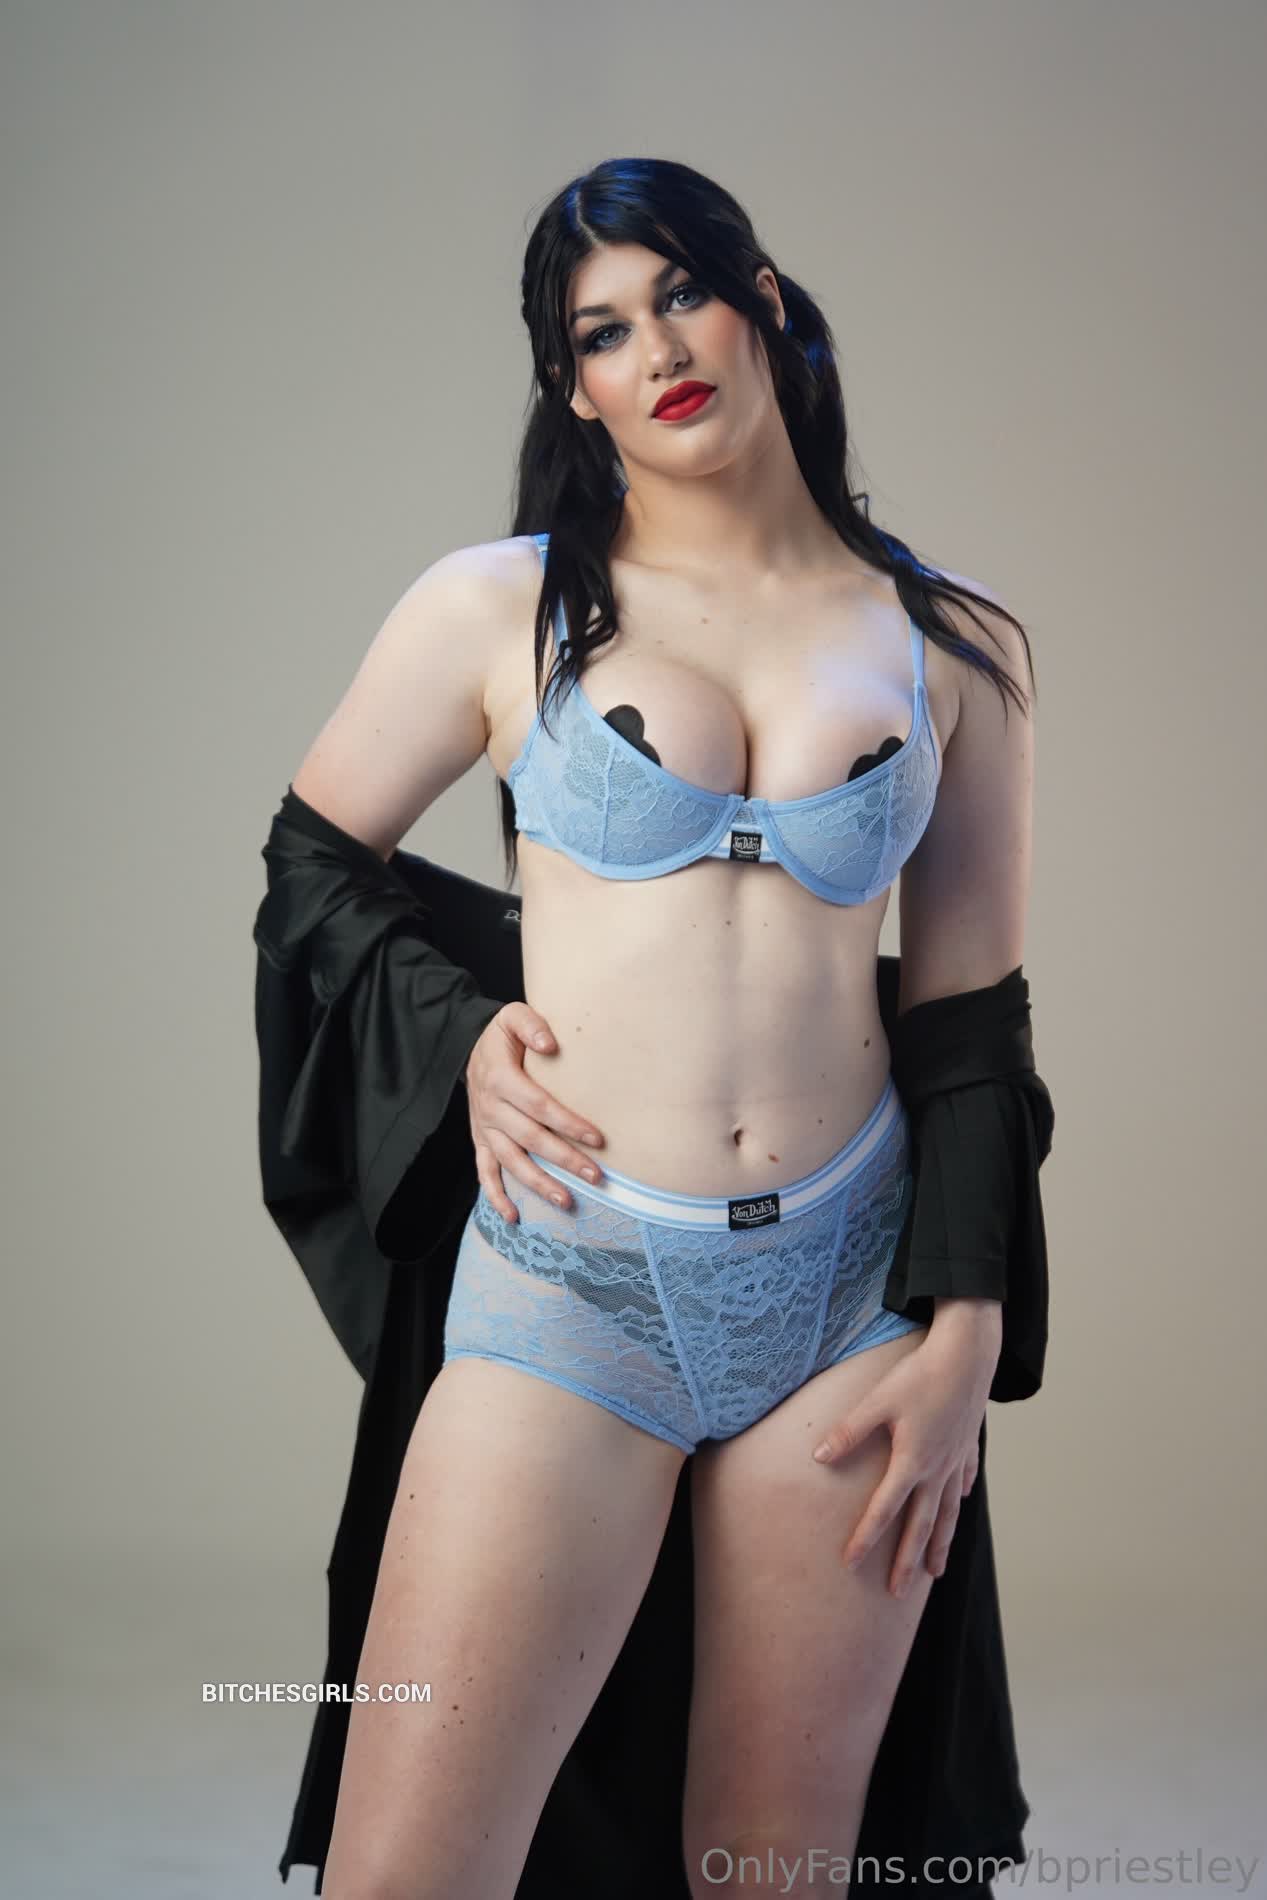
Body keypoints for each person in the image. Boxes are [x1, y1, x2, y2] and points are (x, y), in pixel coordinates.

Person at [278, 156, 1043, 1900]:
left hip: (848, 1295)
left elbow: (972, 1023)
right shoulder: (500, 606)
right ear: (573, 388)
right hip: (579, 1279)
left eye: (682, 293)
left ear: (761, 299)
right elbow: (315, 861)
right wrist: (459, 1033)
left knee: (767, 1878)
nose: (659, 350)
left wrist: (967, 1330)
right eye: (602, 333)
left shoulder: (953, 646)